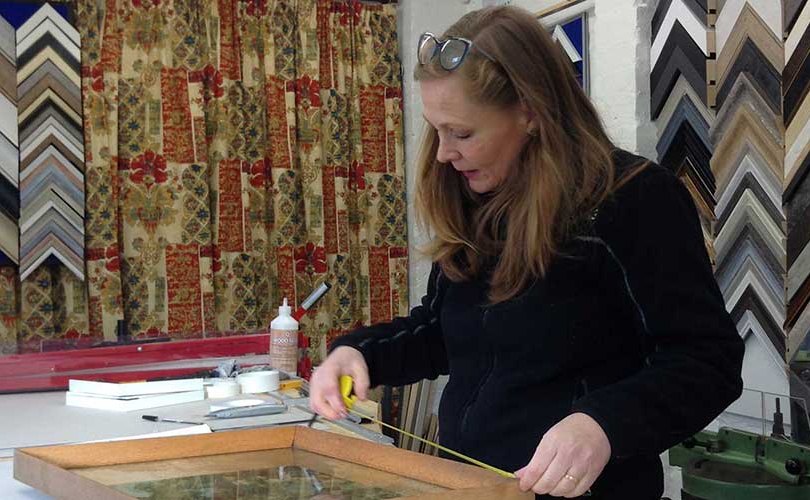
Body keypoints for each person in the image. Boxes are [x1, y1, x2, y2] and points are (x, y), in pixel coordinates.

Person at [309, 6, 744, 499]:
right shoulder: (478, 200)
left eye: (462, 133)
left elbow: (707, 361)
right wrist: (357, 353)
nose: (442, 154)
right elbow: (442, 332)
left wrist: (602, 425)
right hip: (471, 486)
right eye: (438, 130)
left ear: (531, 113)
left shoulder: (634, 200)